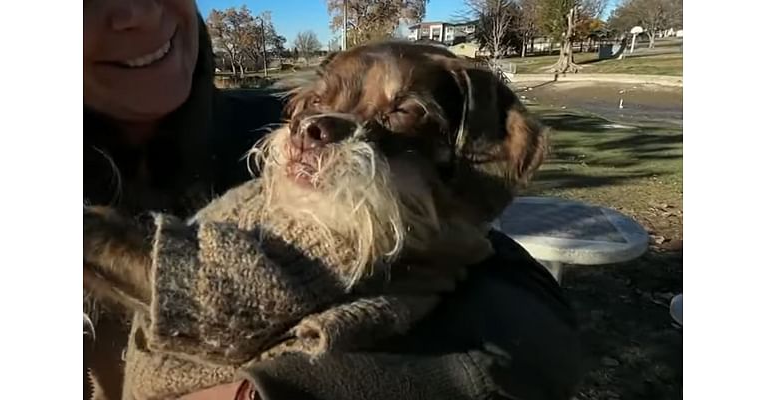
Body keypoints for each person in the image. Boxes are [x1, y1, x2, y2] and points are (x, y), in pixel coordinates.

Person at [83, 1, 583, 399]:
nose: (139, 12)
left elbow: (533, 326)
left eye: (402, 111)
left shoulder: (299, 156)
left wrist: (274, 391)